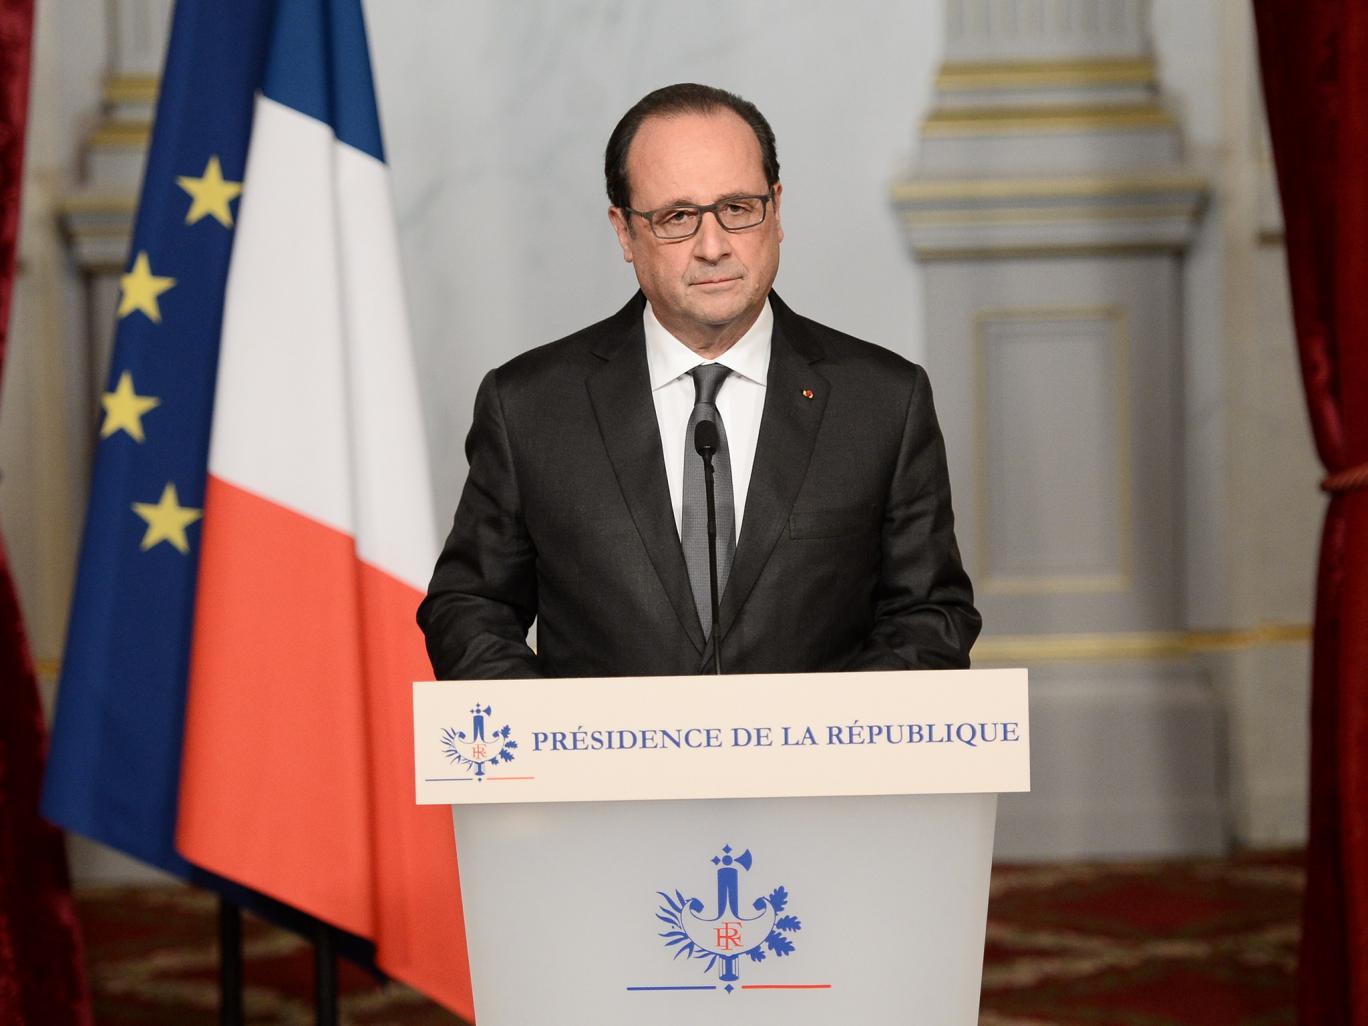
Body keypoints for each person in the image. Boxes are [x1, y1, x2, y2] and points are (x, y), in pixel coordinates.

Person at [418, 83, 980, 679]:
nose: (713, 246)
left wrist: (822, 741)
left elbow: (930, 616)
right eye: (677, 218)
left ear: (777, 210)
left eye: (737, 209)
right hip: (606, 771)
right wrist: (561, 746)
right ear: (624, 232)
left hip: (813, 771)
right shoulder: (530, 406)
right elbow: (470, 607)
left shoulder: (882, 402)